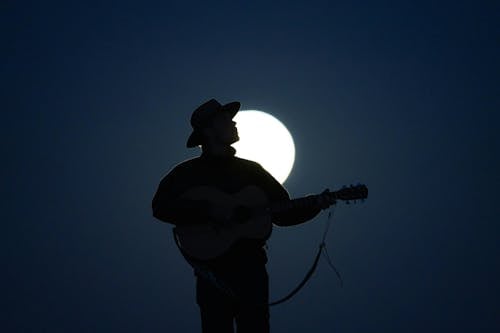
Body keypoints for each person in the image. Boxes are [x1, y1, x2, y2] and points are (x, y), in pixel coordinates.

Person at [152, 99, 336, 333]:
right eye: (226, 120)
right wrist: (208, 211)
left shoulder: (252, 171)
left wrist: (316, 204)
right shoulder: (185, 174)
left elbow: (282, 213)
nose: (234, 122)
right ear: (209, 131)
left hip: (251, 270)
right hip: (212, 273)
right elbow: (160, 207)